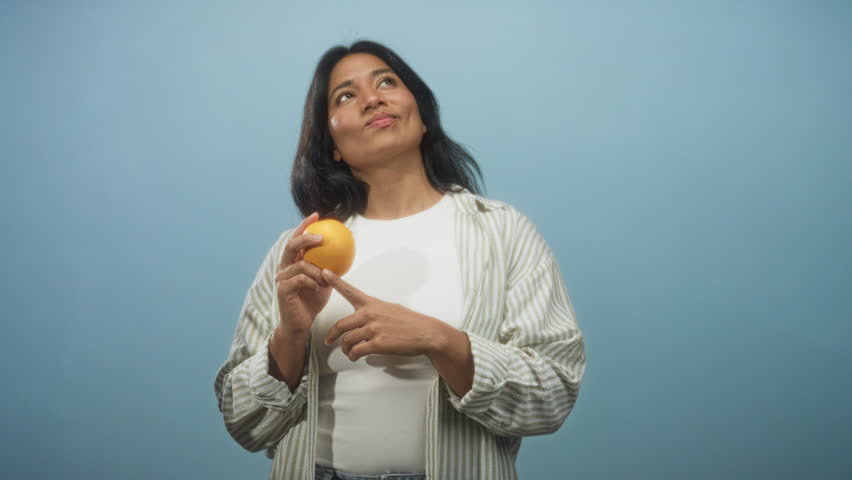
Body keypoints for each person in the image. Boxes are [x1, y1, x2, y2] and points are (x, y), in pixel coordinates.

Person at [214, 40, 586, 480]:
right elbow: (243, 421)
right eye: (346, 96)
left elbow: (554, 393)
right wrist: (291, 335)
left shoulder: (505, 233)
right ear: (331, 143)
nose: (372, 98)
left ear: (423, 116)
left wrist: (442, 341)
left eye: (386, 82)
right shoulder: (298, 250)